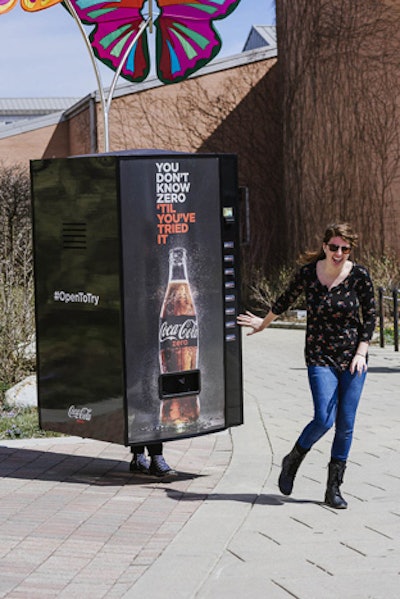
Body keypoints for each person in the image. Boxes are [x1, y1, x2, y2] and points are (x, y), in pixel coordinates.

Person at [237, 222, 376, 509]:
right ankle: (294, 458)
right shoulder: (308, 274)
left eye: (345, 249)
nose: (339, 253)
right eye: (334, 247)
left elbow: (371, 315)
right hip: (319, 355)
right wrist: (263, 324)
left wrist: (361, 352)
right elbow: (284, 300)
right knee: (324, 418)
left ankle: (333, 488)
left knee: (345, 424)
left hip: (352, 358)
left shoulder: (359, 275)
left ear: (350, 250)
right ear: (325, 246)